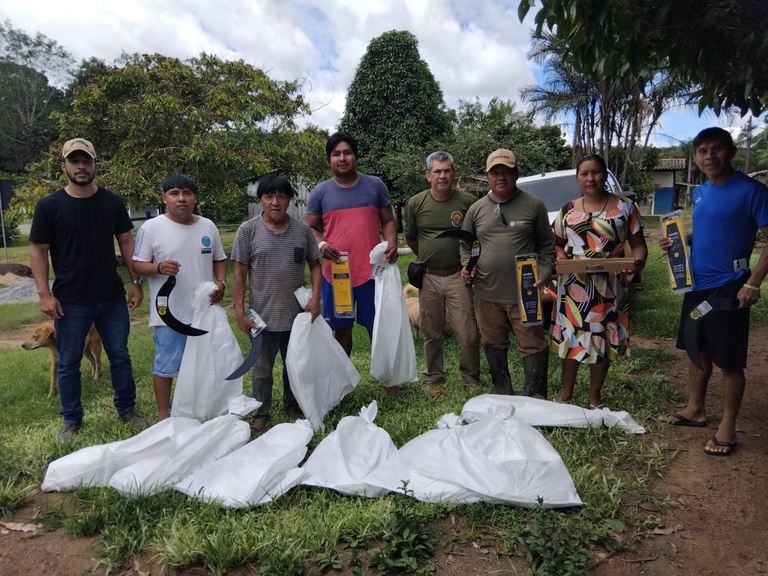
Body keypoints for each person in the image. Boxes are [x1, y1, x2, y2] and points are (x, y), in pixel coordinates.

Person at [29, 138, 147, 442]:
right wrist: (44, 293)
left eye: (86, 161)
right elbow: (38, 251)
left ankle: (126, 410)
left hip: (111, 296)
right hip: (70, 300)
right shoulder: (49, 206)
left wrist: (135, 282)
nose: (81, 166)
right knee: (68, 359)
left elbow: (126, 242)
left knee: (119, 354)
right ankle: (71, 419)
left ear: (95, 165)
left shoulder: (112, 202)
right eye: (74, 161)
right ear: (64, 166)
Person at [660, 127, 768, 456]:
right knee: (697, 345)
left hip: (729, 288)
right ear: (695, 157)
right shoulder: (700, 192)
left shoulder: (752, 191)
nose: (710, 156)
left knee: (729, 357)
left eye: (716, 149)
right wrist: (680, 239)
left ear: (730, 151)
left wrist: (753, 283)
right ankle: (696, 409)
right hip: (697, 287)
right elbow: (709, 227)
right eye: (703, 151)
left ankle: (728, 427)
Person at [305, 132, 402, 397]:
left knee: (376, 327)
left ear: (356, 156)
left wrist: (390, 242)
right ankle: (343, 384)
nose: (342, 158)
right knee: (342, 329)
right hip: (336, 274)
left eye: (347, 152)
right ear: (329, 160)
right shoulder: (320, 192)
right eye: (336, 154)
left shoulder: (374, 186)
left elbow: (389, 221)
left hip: (372, 273)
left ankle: (389, 382)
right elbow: (309, 228)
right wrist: (322, 245)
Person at [550, 154, 647, 409]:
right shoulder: (568, 210)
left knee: (601, 339)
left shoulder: (625, 207)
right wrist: (560, 258)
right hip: (573, 286)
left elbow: (638, 246)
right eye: (584, 173)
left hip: (609, 286)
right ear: (578, 178)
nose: (590, 178)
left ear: (605, 174)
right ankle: (566, 392)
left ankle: (594, 396)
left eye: (596, 172)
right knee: (572, 339)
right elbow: (557, 244)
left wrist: (635, 265)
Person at [132, 173, 227, 421]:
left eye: (187, 193)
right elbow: (138, 265)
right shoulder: (151, 228)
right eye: (174, 193)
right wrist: (159, 268)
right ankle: (164, 415)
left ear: (195, 197)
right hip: (169, 313)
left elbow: (219, 259)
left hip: (203, 312)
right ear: (164, 198)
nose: (181, 198)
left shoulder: (208, 226)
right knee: (167, 364)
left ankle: (197, 409)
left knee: (204, 363)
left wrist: (221, 282)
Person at [461, 149, 554, 398]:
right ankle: (501, 389)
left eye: (506, 172)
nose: (501, 177)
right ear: (487, 177)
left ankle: (536, 396)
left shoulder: (534, 206)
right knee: (493, 341)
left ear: (516, 173)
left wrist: (544, 273)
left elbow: (547, 245)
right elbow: (466, 245)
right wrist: (467, 266)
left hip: (526, 293)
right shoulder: (476, 209)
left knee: (532, 344)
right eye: (495, 173)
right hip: (486, 293)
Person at [233, 174, 322, 433]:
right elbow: (238, 273)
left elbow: (315, 266)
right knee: (261, 369)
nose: (275, 202)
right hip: (261, 317)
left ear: (289, 200)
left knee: (293, 365)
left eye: (281, 196)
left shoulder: (303, 230)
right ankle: (261, 412)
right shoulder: (247, 231)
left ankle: (292, 406)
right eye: (268, 196)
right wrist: (239, 312)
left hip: (296, 316)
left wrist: (316, 299)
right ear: (260, 200)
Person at [404, 151, 481, 394]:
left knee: (467, 331)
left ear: (454, 173)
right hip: (429, 278)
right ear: (428, 175)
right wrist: (429, 257)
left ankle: (471, 378)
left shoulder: (468, 202)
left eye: (447, 170)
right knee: (431, 331)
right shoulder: (415, 204)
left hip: (459, 275)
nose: (443, 175)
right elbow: (411, 238)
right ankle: (433, 378)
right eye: (437, 171)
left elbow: (476, 238)